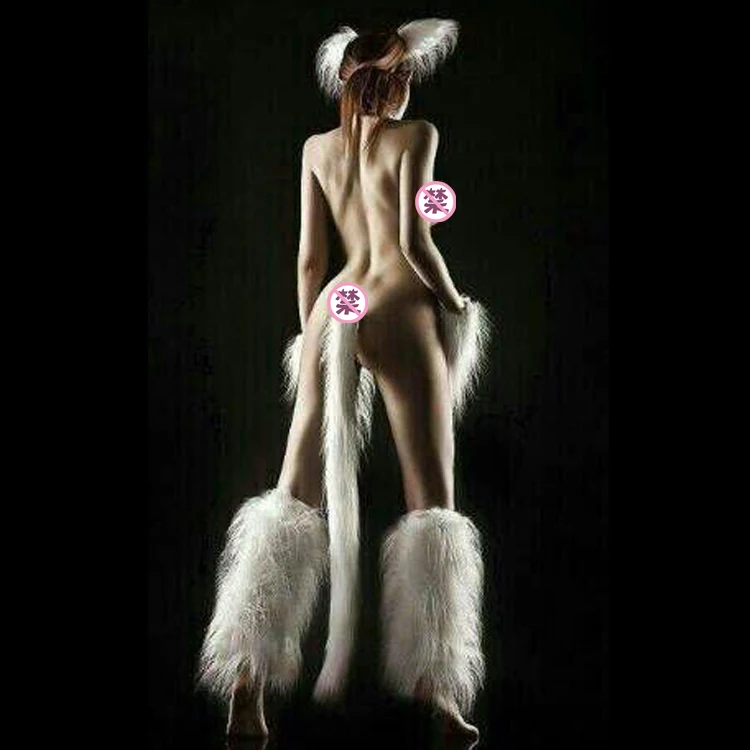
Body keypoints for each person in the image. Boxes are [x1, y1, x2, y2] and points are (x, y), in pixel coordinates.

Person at [199, 18, 492, 744]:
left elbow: (310, 260)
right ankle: (441, 697)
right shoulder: (417, 136)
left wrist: (314, 338)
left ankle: (246, 685)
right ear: (400, 82)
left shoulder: (316, 150)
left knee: (292, 493)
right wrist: (457, 306)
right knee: (433, 501)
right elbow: (415, 242)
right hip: (402, 308)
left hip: (339, 303)